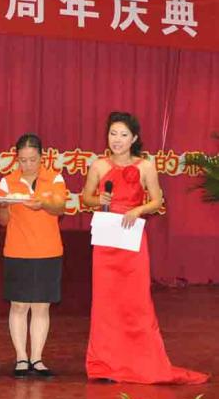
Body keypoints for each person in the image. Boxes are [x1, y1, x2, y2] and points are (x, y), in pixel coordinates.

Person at [82, 111, 208, 384]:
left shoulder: (146, 166)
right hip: (106, 241)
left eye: (123, 135)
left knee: (135, 302)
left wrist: (138, 209)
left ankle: (140, 362)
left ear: (134, 138)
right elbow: (85, 197)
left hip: (132, 240)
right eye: (113, 134)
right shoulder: (99, 166)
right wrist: (98, 200)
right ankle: (105, 364)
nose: (117, 139)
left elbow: (157, 200)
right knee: (105, 303)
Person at [0, 134, 66, 378]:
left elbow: (60, 208)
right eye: (23, 160)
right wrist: (3, 206)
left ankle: (37, 358)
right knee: (19, 305)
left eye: (32, 160)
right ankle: (21, 358)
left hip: (48, 250)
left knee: (41, 306)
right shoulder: (7, 182)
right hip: (17, 250)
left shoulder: (54, 178)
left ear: (41, 157)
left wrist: (43, 204)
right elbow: (1, 221)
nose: (28, 165)